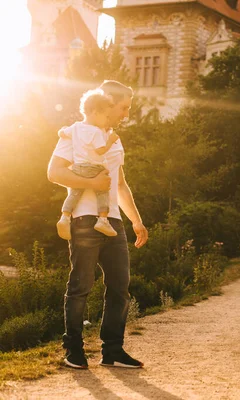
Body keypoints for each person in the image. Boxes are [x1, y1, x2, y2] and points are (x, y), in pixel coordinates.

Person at [47, 80, 148, 369]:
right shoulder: (74, 135)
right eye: (124, 107)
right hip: (83, 218)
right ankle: (74, 350)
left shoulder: (114, 139)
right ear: (107, 104)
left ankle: (112, 351)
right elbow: (54, 173)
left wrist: (137, 221)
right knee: (81, 286)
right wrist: (91, 182)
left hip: (112, 221)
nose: (126, 114)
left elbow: (121, 184)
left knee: (119, 288)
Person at [56, 89, 121, 240]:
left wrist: (61, 130)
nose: (106, 120)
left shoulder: (76, 127)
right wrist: (110, 141)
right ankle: (103, 220)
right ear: (94, 113)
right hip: (94, 168)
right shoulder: (96, 132)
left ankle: (65, 217)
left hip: (78, 168)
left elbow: (62, 133)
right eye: (105, 116)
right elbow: (100, 151)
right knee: (103, 191)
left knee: (75, 193)